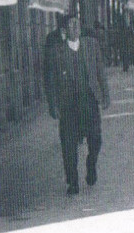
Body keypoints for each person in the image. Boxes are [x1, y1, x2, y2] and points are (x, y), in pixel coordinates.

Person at [44, 15, 110, 195]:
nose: (77, 27)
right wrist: (53, 105)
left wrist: (105, 95)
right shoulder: (56, 51)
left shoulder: (91, 45)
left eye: (78, 23)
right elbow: (49, 81)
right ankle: (72, 181)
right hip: (68, 104)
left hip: (89, 100)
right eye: (72, 24)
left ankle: (91, 164)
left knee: (96, 138)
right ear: (64, 30)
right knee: (68, 144)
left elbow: (100, 72)